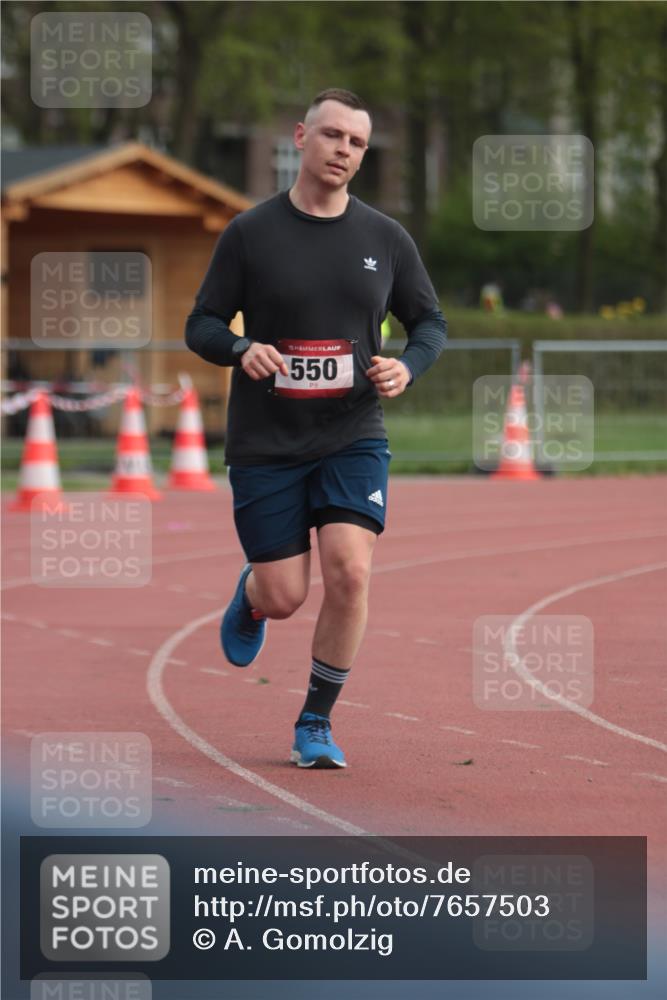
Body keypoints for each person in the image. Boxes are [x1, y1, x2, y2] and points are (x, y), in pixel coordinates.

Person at [185, 88, 446, 769]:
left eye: (356, 143)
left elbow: (429, 323)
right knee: (285, 596)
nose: (342, 151)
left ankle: (314, 723)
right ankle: (252, 595)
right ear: (300, 137)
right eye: (332, 135)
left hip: (351, 430)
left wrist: (408, 368)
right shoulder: (250, 233)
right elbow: (202, 324)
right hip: (267, 440)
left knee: (350, 573)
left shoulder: (385, 239)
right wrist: (242, 350)